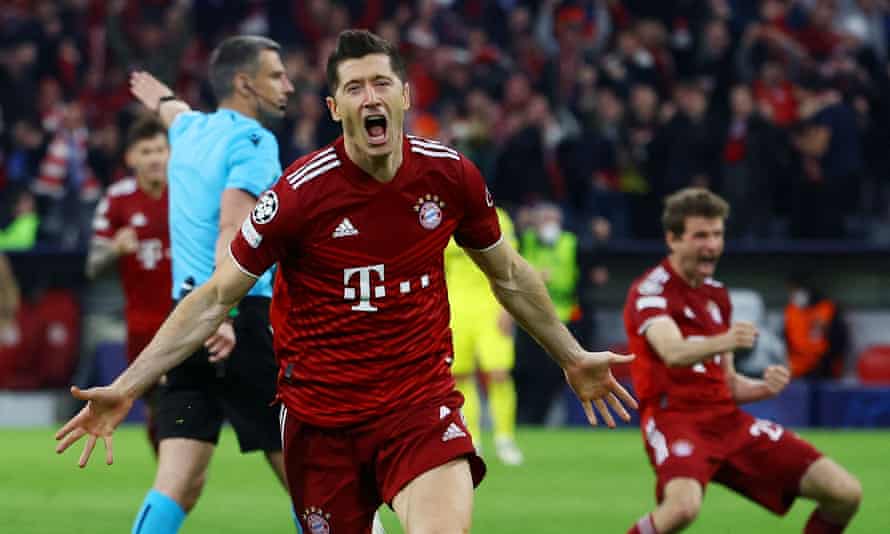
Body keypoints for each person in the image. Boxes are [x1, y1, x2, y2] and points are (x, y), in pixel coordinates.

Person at [55, 30, 637, 534]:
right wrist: (128, 386)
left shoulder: (449, 174)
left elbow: (508, 272)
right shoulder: (299, 195)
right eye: (354, 88)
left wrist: (571, 355)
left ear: (405, 95)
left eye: (382, 83)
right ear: (335, 107)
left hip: (417, 405)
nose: (371, 97)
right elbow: (214, 296)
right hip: (320, 424)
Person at [102, 36, 293, 534]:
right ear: (244, 83)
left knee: (177, 483)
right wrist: (225, 315)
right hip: (239, 317)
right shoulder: (254, 142)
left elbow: (173, 110)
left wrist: (157, 94)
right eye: (277, 75)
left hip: (184, 319)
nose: (288, 85)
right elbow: (233, 229)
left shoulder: (189, 130)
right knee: (312, 478)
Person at [623, 187, 862, 534]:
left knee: (844, 493)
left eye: (717, 235)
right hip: (674, 418)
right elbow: (672, 352)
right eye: (700, 235)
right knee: (681, 509)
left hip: (727, 422)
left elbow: (728, 383)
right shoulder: (651, 292)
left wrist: (762, 388)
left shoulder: (716, 295)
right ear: (672, 239)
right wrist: (725, 339)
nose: (712, 245)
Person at [85, 116, 175, 452]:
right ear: (130, 158)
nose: (154, 157)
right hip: (142, 325)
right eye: (146, 150)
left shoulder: (188, 193)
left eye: (160, 150)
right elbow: (92, 266)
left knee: (187, 401)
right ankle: (170, 475)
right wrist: (113, 248)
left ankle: (179, 474)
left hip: (189, 316)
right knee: (156, 409)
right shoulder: (117, 199)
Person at [444, 206, 523, 465]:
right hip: (455, 307)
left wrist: (507, 306)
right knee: (459, 375)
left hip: (490, 306)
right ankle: (472, 438)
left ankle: (504, 438)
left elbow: (508, 262)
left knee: (498, 372)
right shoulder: (439, 216)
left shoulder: (498, 217)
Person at [514, 203, 580, 424]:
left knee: (551, 376)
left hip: (560, 319)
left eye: (553, 219)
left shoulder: (570, 243)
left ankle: (540, 418)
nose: (549, 224)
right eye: (544, 219)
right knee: (525, 371)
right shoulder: (527, 240)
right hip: (529, 319)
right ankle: (524, 418)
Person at [784, 273, 849, 380]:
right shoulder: (791, 310)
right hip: (797, 368)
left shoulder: (826, 308)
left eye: (795, 290)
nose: (792, 294)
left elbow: (839, 338)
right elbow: (787, 336)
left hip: (824, 368)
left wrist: (829, 362)